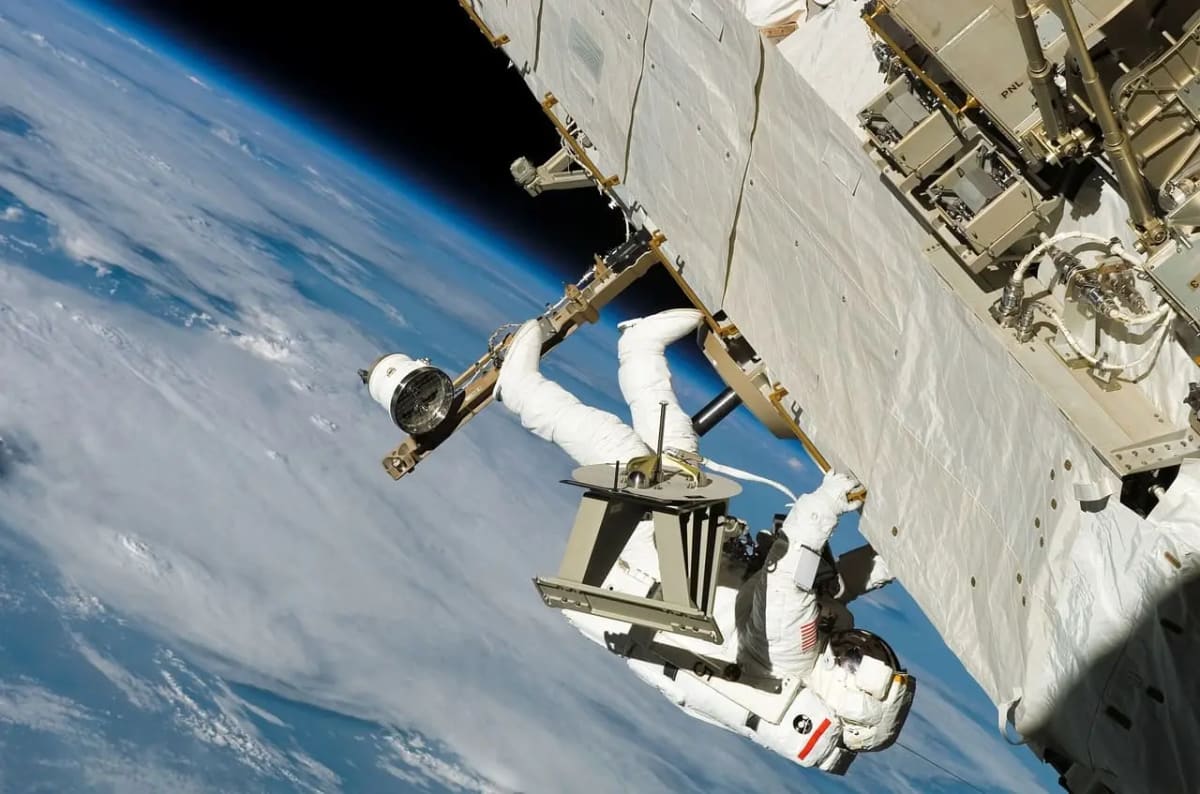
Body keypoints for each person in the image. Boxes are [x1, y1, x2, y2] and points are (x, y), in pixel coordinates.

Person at [495, 308, 911, 771]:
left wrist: (833, 497)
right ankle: (638, 348)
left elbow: (790, 575)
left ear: (846, 694)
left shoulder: (791, 654)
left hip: (643, 572)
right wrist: (901, 556)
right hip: (677, 574)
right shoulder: (815, 653)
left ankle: (519, 391)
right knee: (676, 458)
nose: (855, 647)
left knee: (624, 453)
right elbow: (840, 585)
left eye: (856, 659)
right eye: (865, 649)